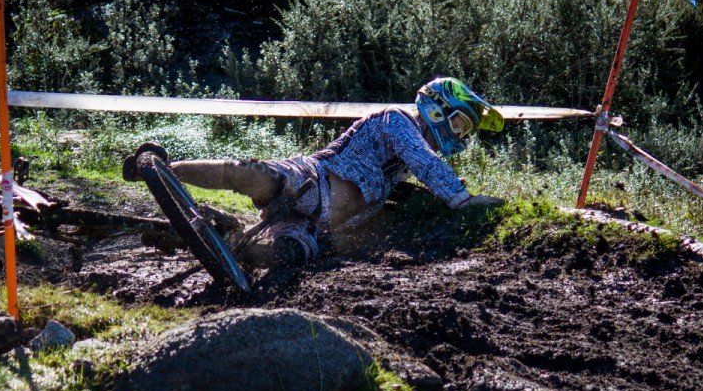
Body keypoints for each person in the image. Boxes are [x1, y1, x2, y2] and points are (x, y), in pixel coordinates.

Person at [164, 77, 505, 266]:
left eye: (466, 131)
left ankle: (218, 236)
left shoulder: (403, 164)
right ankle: (165, 170)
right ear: (438, 108)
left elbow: (412, 175)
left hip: (317, 226)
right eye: (459, 124)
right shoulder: (396, 119)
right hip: (312, 179)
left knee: (283, 255)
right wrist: (462, 200)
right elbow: (424, 161)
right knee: (251, 176)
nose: (459, 135)